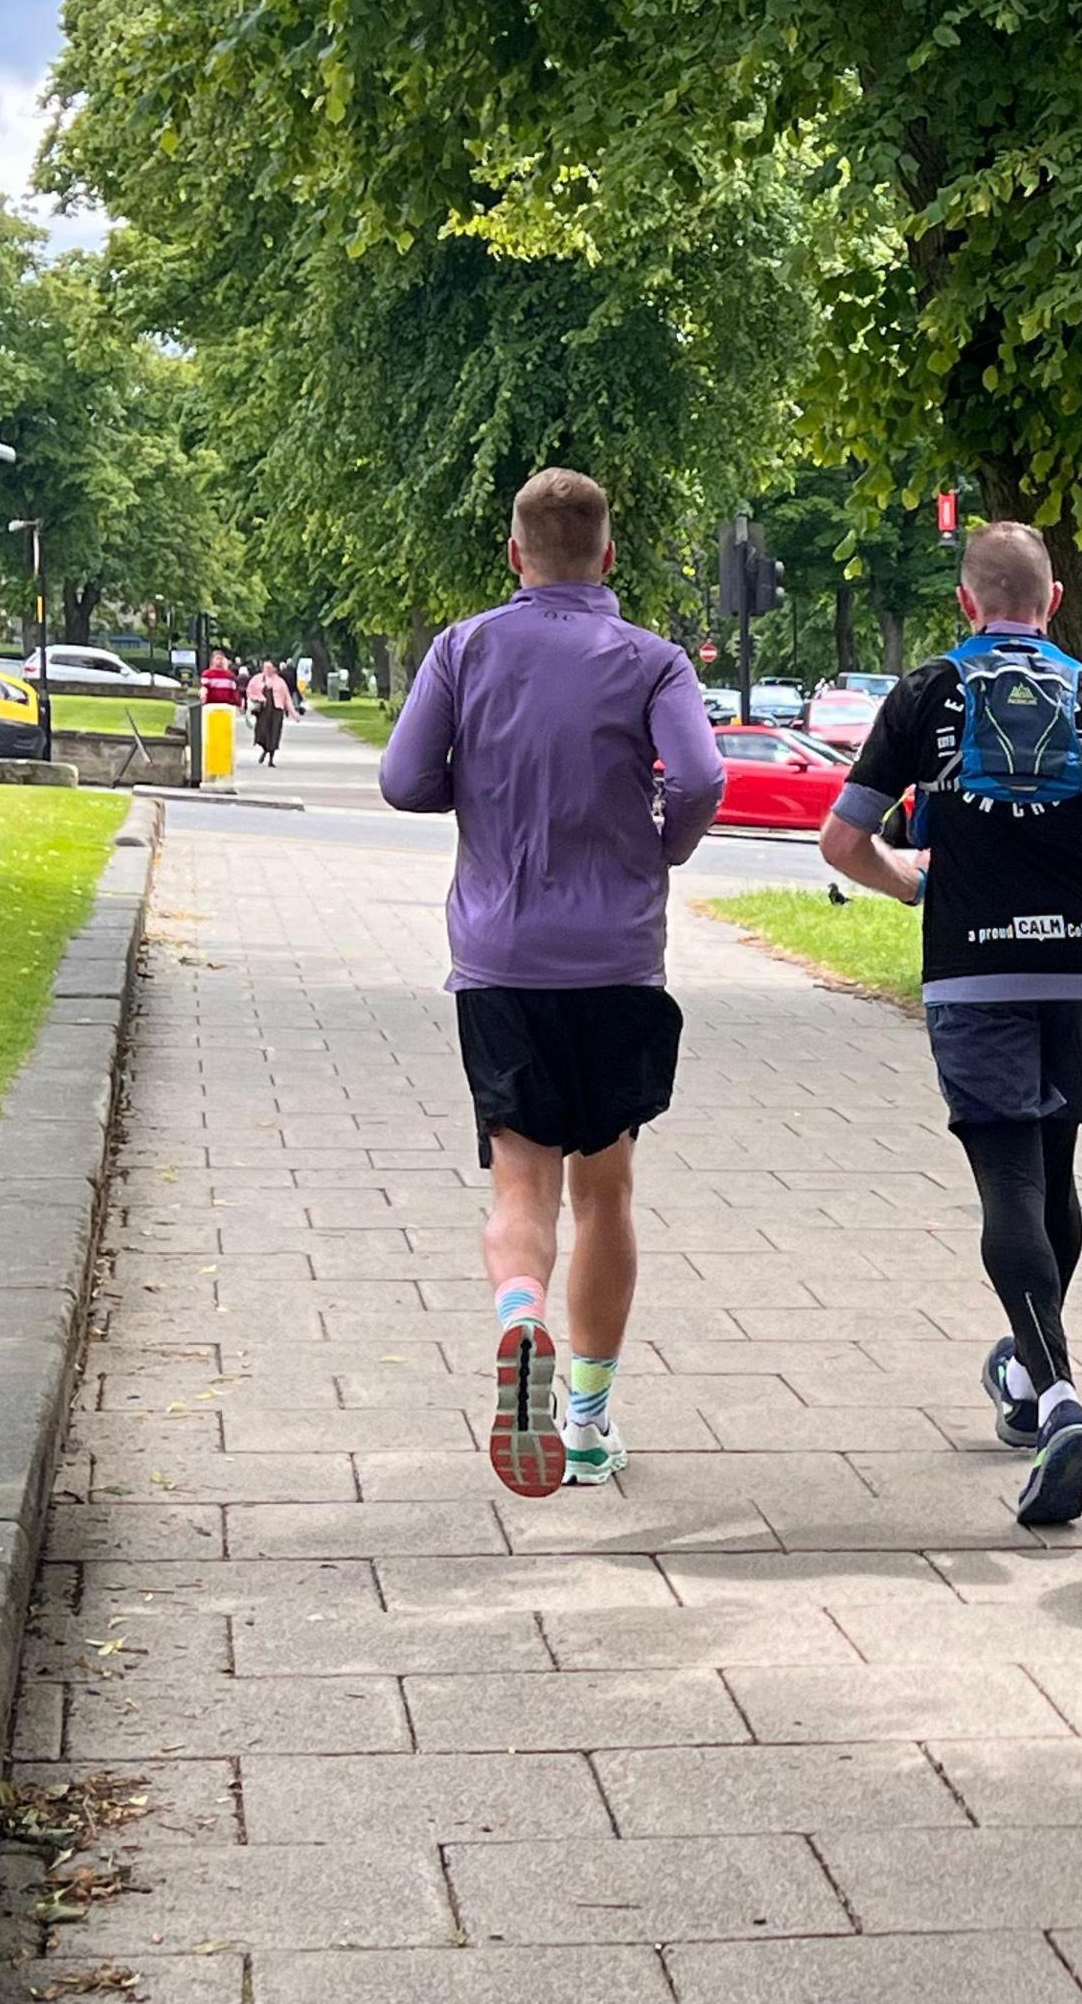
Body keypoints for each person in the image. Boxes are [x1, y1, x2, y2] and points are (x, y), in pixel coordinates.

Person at [819, 522, 1082, 1528]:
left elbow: (843, 837)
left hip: (976, 968)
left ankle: (1058, 1398)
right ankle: (1029, 1368)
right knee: (1055, 1173)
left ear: (967, 603)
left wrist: (910, 881)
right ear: (1051, 604)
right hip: (1080, 969)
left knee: (1006, 1180)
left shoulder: (925, 691)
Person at [379, 469, 725, 1497]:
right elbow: (703, 778)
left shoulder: (464, 647)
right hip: (617, 957)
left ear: (514, 551)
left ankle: (516, 1316)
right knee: (606, 1186)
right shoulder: (655, 663)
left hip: (500, 959)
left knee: (518, 1179)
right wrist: (666, 844)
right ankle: (584, 1419)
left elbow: (403, 778)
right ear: (609, 555)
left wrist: (467, 787)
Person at [245, 656, 298, 766]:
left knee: (274, 733)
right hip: (263, 710)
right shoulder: (256, 679)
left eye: (269, 667)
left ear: (275, 669)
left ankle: (271, 758)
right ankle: (265, 749)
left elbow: (287, 698)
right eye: (265, 667)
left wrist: (293, 713)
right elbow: (249, 691)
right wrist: (258, 698)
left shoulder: (280, 682)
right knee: (261, 733)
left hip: (276, 710)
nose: (267, 670)